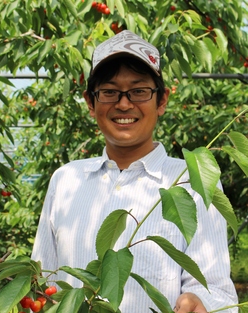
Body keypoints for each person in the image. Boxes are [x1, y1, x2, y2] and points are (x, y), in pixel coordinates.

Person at [31, 30, 238, 312]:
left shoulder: (194, 183)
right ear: (91, 102)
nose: (124, 103)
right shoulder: (66, 181)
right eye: (109, 92)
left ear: (162, 100)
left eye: (139, 91)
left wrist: (200, 302)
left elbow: (219, 293)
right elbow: (43, 284)